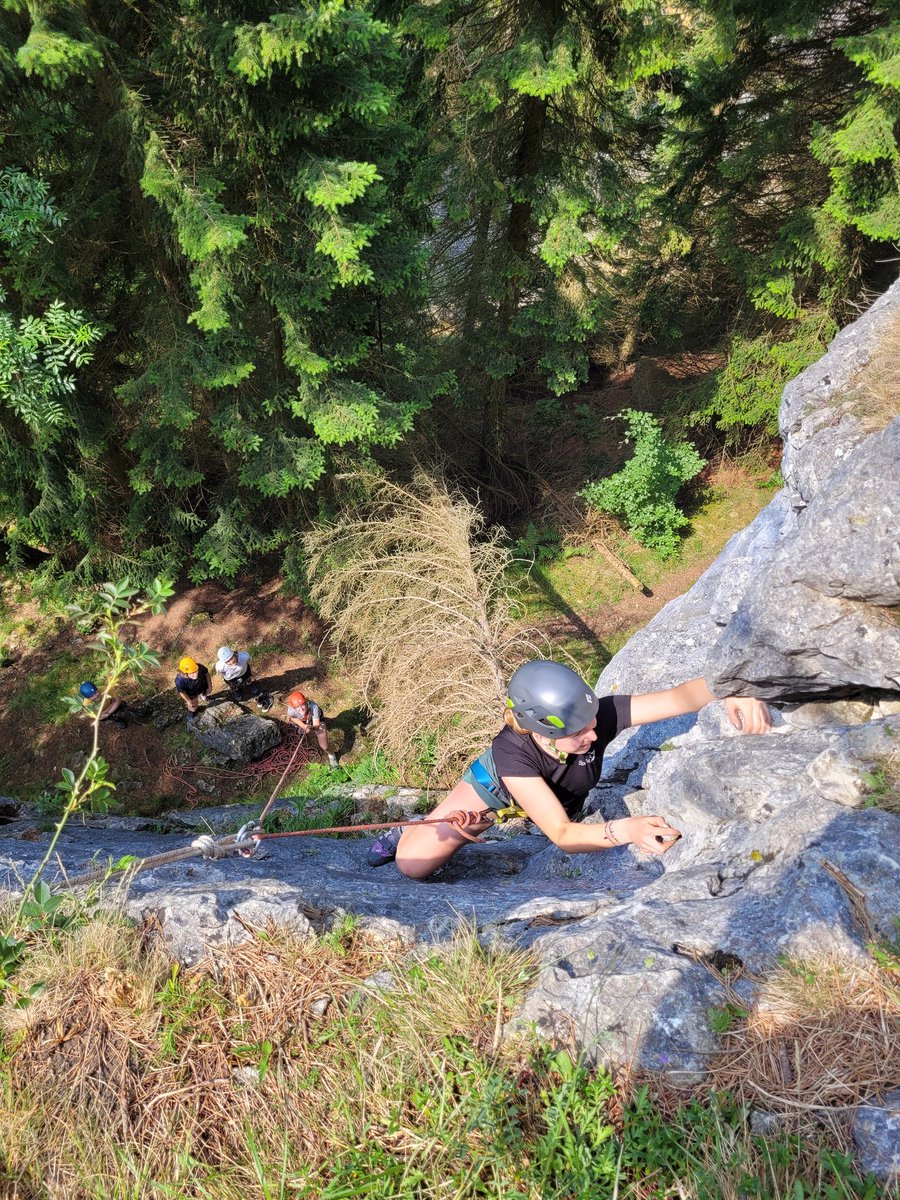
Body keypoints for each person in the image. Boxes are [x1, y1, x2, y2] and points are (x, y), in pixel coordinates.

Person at [367, 660, 771, 875]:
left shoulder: (596, 717)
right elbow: (561, 834)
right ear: (542, 732)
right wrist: (625, 830)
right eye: (579, 733)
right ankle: (408, 829)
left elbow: (680, 697)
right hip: (497, 787)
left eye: (593, 724)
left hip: (562, 793)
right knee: (412, 864)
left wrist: (731, 688)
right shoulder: (512, 755)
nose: (594, 737)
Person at [286, 690, 338, 767]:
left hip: (317, 719)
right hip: (305, 720)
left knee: (325, 746)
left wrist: (310, 727)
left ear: (306, 702)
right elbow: (292, 718)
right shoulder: (291, 711)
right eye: (297, 707)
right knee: (305, 723)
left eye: (303, 705)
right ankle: (306, 723)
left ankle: (332, 755)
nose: (301, 709)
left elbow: (316, 725)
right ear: (294, 708)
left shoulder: (314, 707)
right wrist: (303, 726)